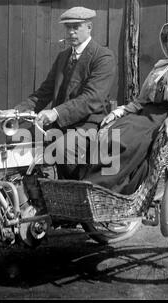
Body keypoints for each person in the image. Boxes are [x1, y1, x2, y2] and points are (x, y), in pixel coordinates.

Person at [81, 19, 168, 195]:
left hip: (166, 118)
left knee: (126, 142)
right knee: (109, 133)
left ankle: (101, 188)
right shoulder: (161, 68)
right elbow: (142, 100)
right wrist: (121, 111)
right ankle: (87, 183)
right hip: (145, 113)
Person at [14, 6, 116, 179]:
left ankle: (73, 193)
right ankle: (35, 193)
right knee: (17, 141)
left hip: (88, 125)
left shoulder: (102, 57)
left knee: (62, 149)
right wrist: (16, 112)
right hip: (60, 124)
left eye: (76, 27)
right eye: (68, 27)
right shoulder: (63, 57)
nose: (71, 32)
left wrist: (56, 113)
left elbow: (91, 98)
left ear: (89, 27)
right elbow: (44, 93)